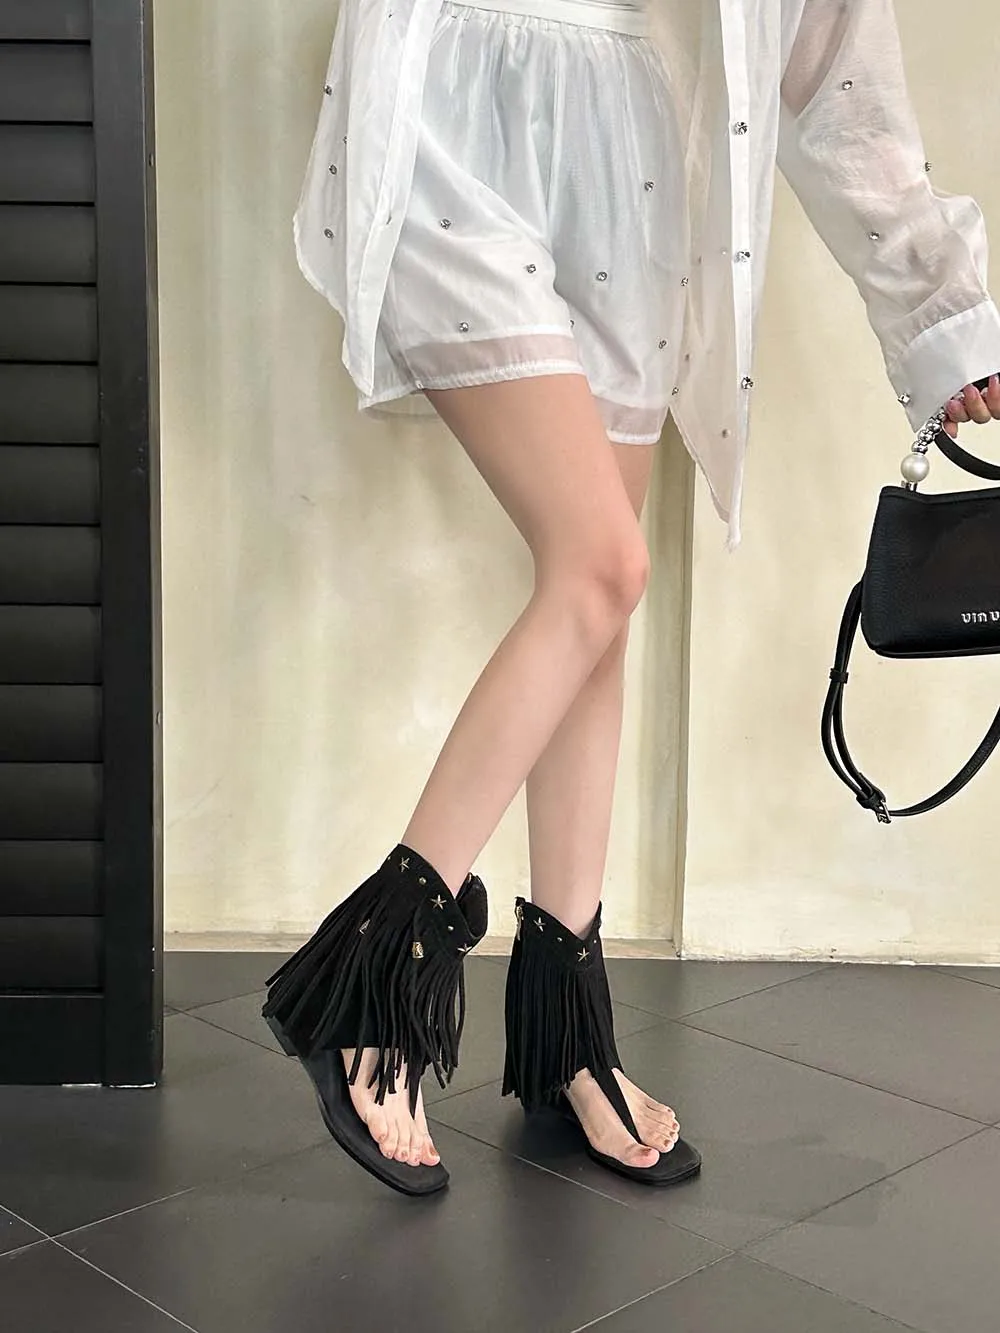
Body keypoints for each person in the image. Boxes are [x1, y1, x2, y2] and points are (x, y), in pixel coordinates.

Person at [262, 0, 1000, 1197]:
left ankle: (566, 1033)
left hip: (625, 125)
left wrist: (940, 314)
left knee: (596, 607)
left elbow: (835, 58)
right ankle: (372, 973)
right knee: (601, 565)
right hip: (457, 89)